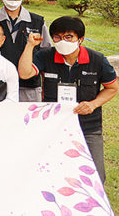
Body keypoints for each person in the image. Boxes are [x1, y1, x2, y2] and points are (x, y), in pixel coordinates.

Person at [18, 16, 117, 182]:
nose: (63, 41)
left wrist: (93, 104)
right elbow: (24, 73)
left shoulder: (97, 60)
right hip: (54, 124)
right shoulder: (45, 56)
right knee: (54, 172)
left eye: (69, 37)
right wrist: (30, 46)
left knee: (96, 175)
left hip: (88, 126)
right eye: (57, 37)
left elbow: (112, 88)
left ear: (80, 39)